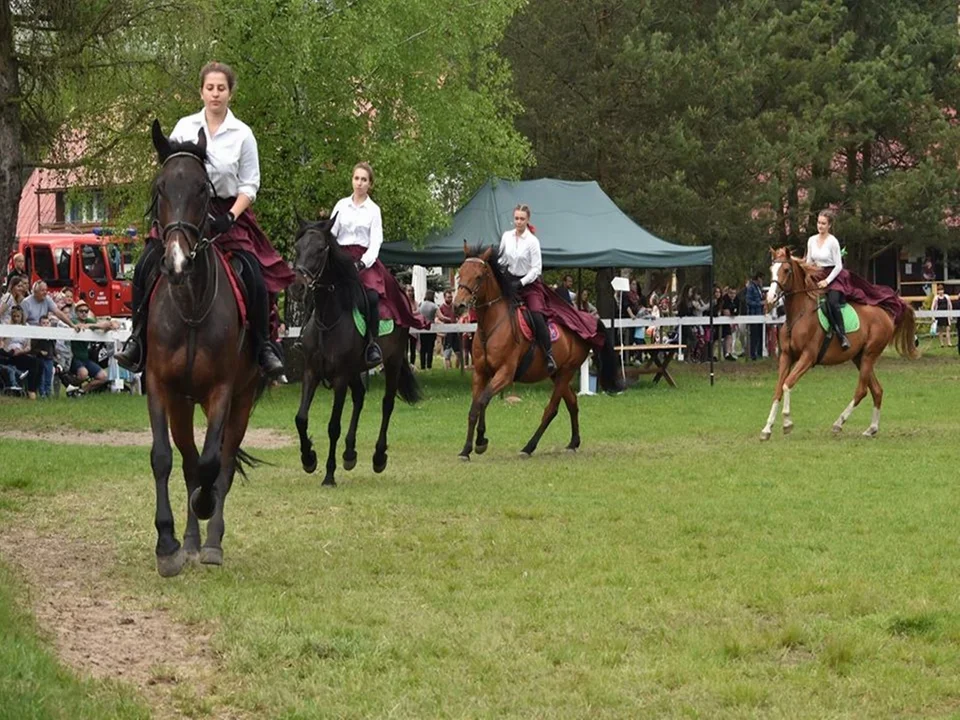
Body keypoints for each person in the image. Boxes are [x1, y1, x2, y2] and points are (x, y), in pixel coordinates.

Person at [116, 61, 294, 376]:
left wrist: (230, 216)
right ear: (201, 91)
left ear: (230, 93)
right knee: (144, 264)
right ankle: (137, 337)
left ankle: (264, 345)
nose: (215, 94)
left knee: (254, 272)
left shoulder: (243, 134)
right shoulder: (184, 127)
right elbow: (171, 173)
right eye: (210, 88)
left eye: (221, 88)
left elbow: (250, 184)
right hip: (183, 213)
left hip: (227, 212)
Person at [330, 161, 428, 365]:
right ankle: (309, 336)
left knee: (373, 297)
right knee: (320, 288)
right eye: (356, 178)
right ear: (352, 180)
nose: (359, 183)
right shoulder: (340, 205)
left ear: (370, 184)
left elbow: (376, 242)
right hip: (340, 258)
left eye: (364, 180)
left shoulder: (374, 210)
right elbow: (331, 233)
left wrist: (362, 263)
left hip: (364, 260)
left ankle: (371, 344)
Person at [803, 209, 907, 350]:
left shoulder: (832, 242)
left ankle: (841, 335)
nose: (820, 226)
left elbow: (839, 265)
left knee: (832, 302)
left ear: (829, 226)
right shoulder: (811, 240)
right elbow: (809, 261)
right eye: (818, 222)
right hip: (817, 275)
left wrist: (827, 281)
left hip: (834, 276)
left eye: (823, 223)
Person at [498, 205, 557, 373]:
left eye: (522, 219)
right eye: (516, 218)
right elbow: (502, 260)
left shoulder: (532, 241)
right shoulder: (506, 236)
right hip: (509, 281)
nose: (518, 221)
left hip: (529, 284)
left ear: (527, 220)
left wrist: (522, 282)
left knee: (537, 315)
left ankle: (548, 354)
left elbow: (536, 269)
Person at [70, 300, 117, 394]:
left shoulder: (89, 320)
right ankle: (70, 385)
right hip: (74, 357)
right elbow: (82, 326)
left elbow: (99, 325)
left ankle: (81, 391)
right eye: (81, 311)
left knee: (103, 376)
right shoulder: (72, 320)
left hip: (86, 357)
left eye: (86, 311)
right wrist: (98, 326)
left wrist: (110, 325)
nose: (84, 313)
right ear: (76, 312)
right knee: (83, 374)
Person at [745, 272, 765, 360]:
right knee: (754, 335)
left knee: (760, 334)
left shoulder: (759, 288)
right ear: (758, 278)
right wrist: (759, 303)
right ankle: (753, 354)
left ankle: (760, 353)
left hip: (760, 314)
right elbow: (748, 301)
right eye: (761, 279)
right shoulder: (751, 288)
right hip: (754, 314)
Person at [418, 290, 438, 369]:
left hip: (422, 328)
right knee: (430, 348)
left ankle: (422, 365)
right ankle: (429, 365)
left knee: (423, 348)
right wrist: (449, 319)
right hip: (431, 329)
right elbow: (441, 316)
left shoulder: (421, 304)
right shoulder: (434, 306)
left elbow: (417, 313)